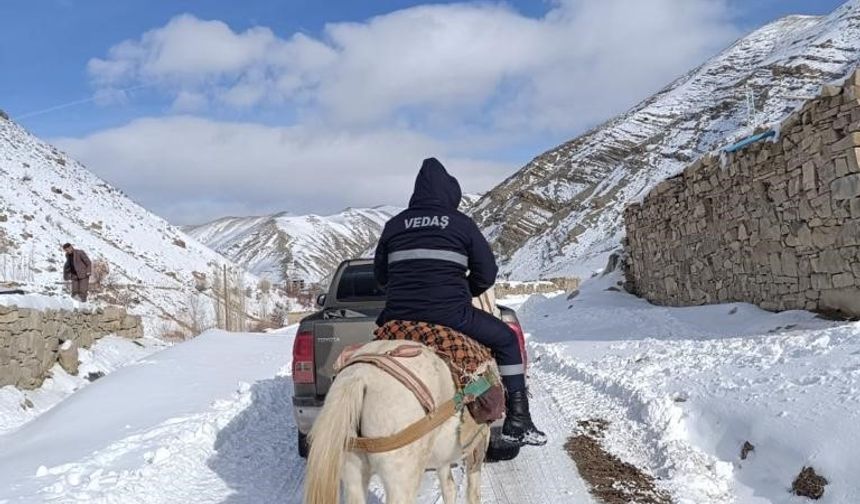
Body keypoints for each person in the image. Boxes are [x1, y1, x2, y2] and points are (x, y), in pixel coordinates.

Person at [374, 158, 546, 447]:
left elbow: (380, 278)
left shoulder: (394, 225)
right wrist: (464, 291)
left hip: (397, 318)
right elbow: (487, 274)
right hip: (451, 315)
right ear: (449, 195)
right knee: (505, 339)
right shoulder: (461, 224)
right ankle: (519, 420)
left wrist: (406, 292)